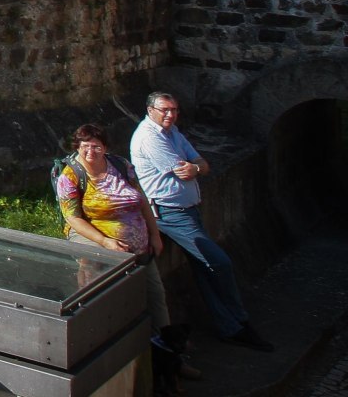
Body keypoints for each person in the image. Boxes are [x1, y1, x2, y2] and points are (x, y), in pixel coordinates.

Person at [131, 92, 274, 352]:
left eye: (174, 110)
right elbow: (182, 170)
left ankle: (229, 326)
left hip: (187, 210)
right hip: (170, 213)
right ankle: (239, 323)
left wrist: (196, 167)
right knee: (219, 263)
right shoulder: (149, 137)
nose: (170, 115)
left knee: (206, 268)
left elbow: (201, 164)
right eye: (164, 110)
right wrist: (195, 168)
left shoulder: (172, 132)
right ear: (150, 109)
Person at [55, 124, 169, 328]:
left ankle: (166, 343)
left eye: (96, 147)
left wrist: (155, 235)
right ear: (77, 147)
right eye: (85, 146)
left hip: (141, 248)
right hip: (103, 248)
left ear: (105, 148)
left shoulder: (121, 165)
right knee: (110, 299)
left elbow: (141, 199)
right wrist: (105, 241)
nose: (91, 151)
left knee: (156, 296)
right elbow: (73, 219)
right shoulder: (70, 176)